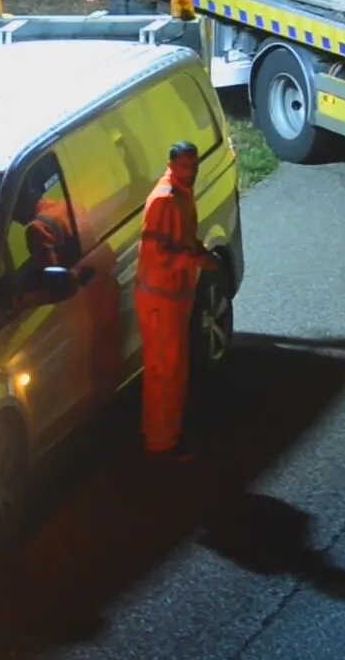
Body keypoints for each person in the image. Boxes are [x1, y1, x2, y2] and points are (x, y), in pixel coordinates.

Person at [134, 142, 220, 463]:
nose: (192, 172)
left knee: (172, 371)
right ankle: (161, 443)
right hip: (161, 299)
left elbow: (181, 238)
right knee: (164, 374)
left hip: (171, 298)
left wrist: (199, 252)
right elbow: (158, 254)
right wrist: (196, 260)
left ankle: (168, 435)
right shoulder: (164, 199)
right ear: (171, 164)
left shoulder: (180, 193)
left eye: (194, 166)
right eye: (185, 166)